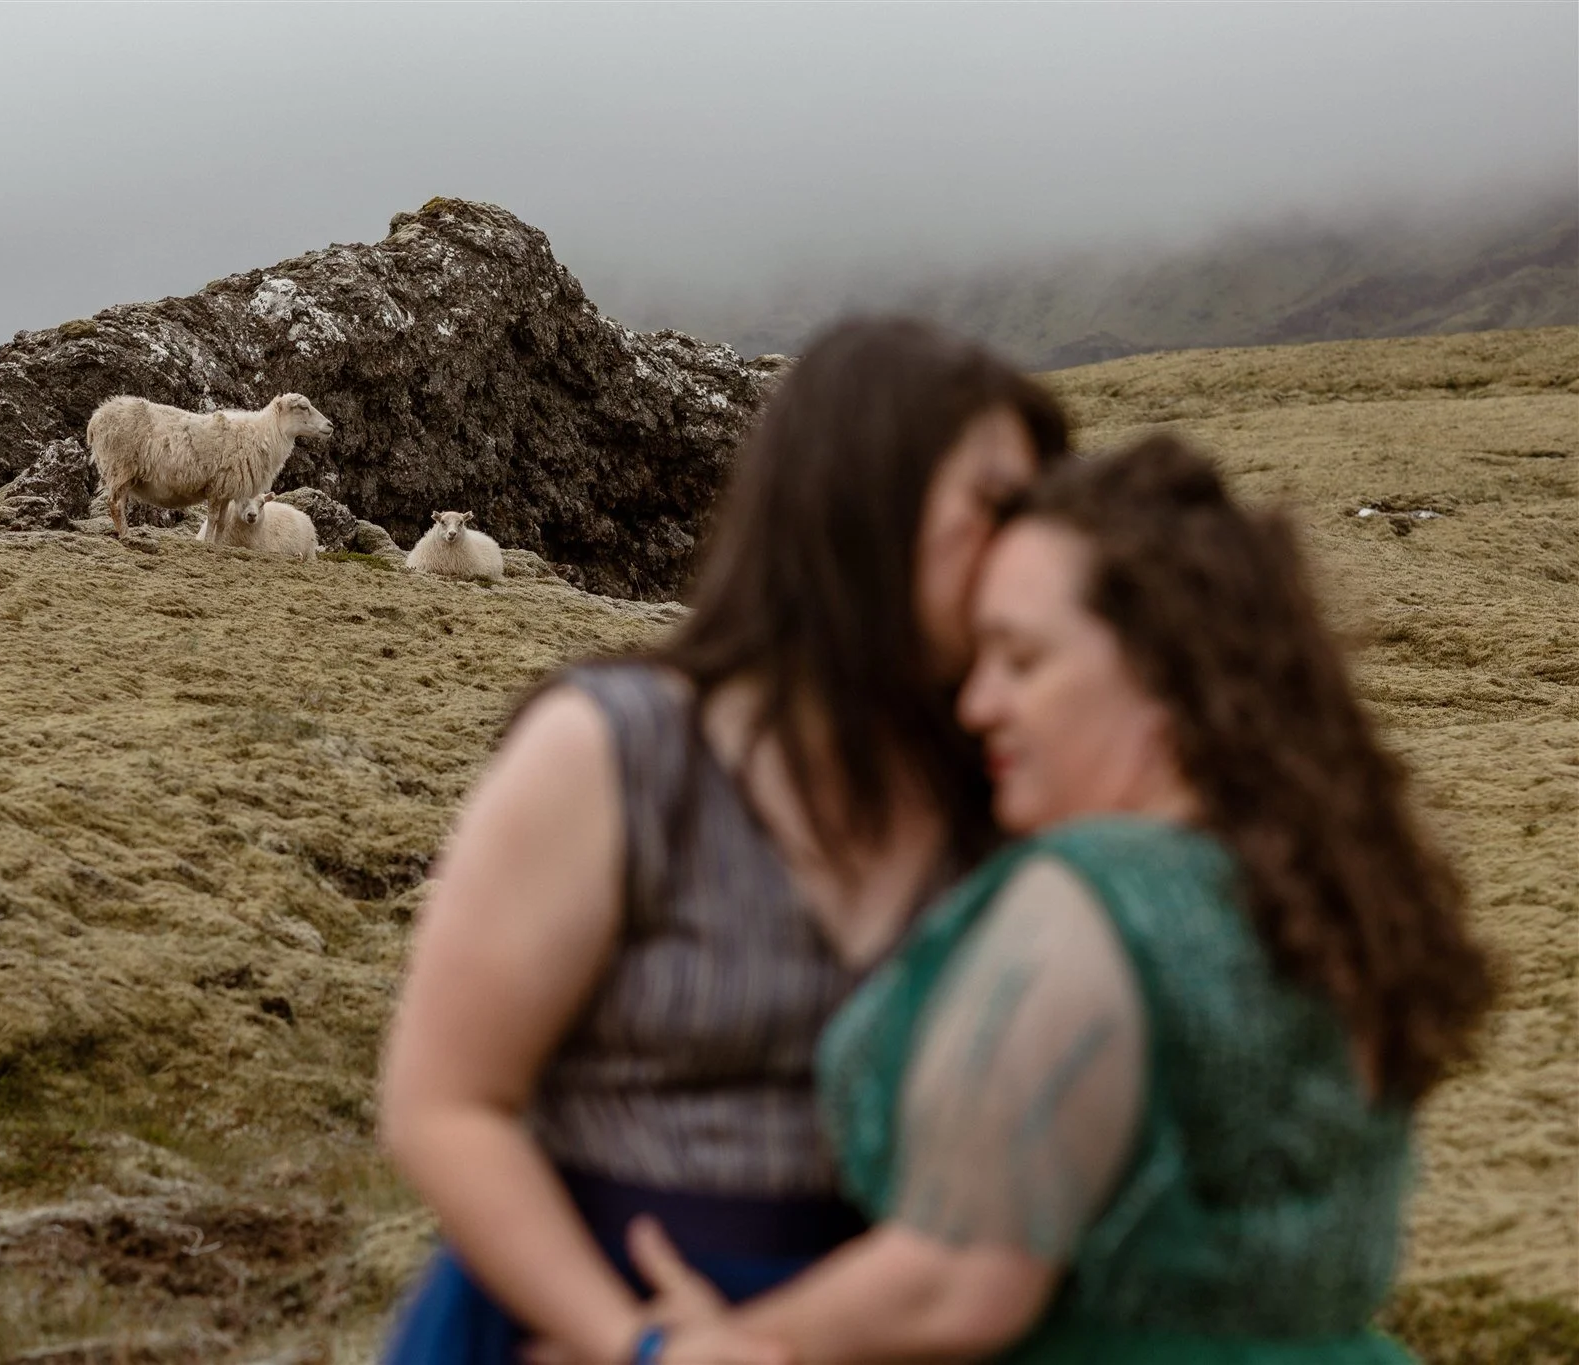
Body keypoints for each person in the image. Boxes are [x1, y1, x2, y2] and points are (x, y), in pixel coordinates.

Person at [617, 435, 1496, 1364]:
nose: (978, 703)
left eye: (1022, 660)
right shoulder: (1325, 886)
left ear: (1162, 672)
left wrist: (723, 1342)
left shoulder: (1094, 897)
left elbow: (958, 1286)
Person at [374, 318, 1072, 1364]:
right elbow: (443, 1102)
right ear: (856, 496)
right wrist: (637, 1345)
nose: (1027, 548)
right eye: (994, 506)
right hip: (568, 1325)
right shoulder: (617, 751)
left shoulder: (1010, 792)